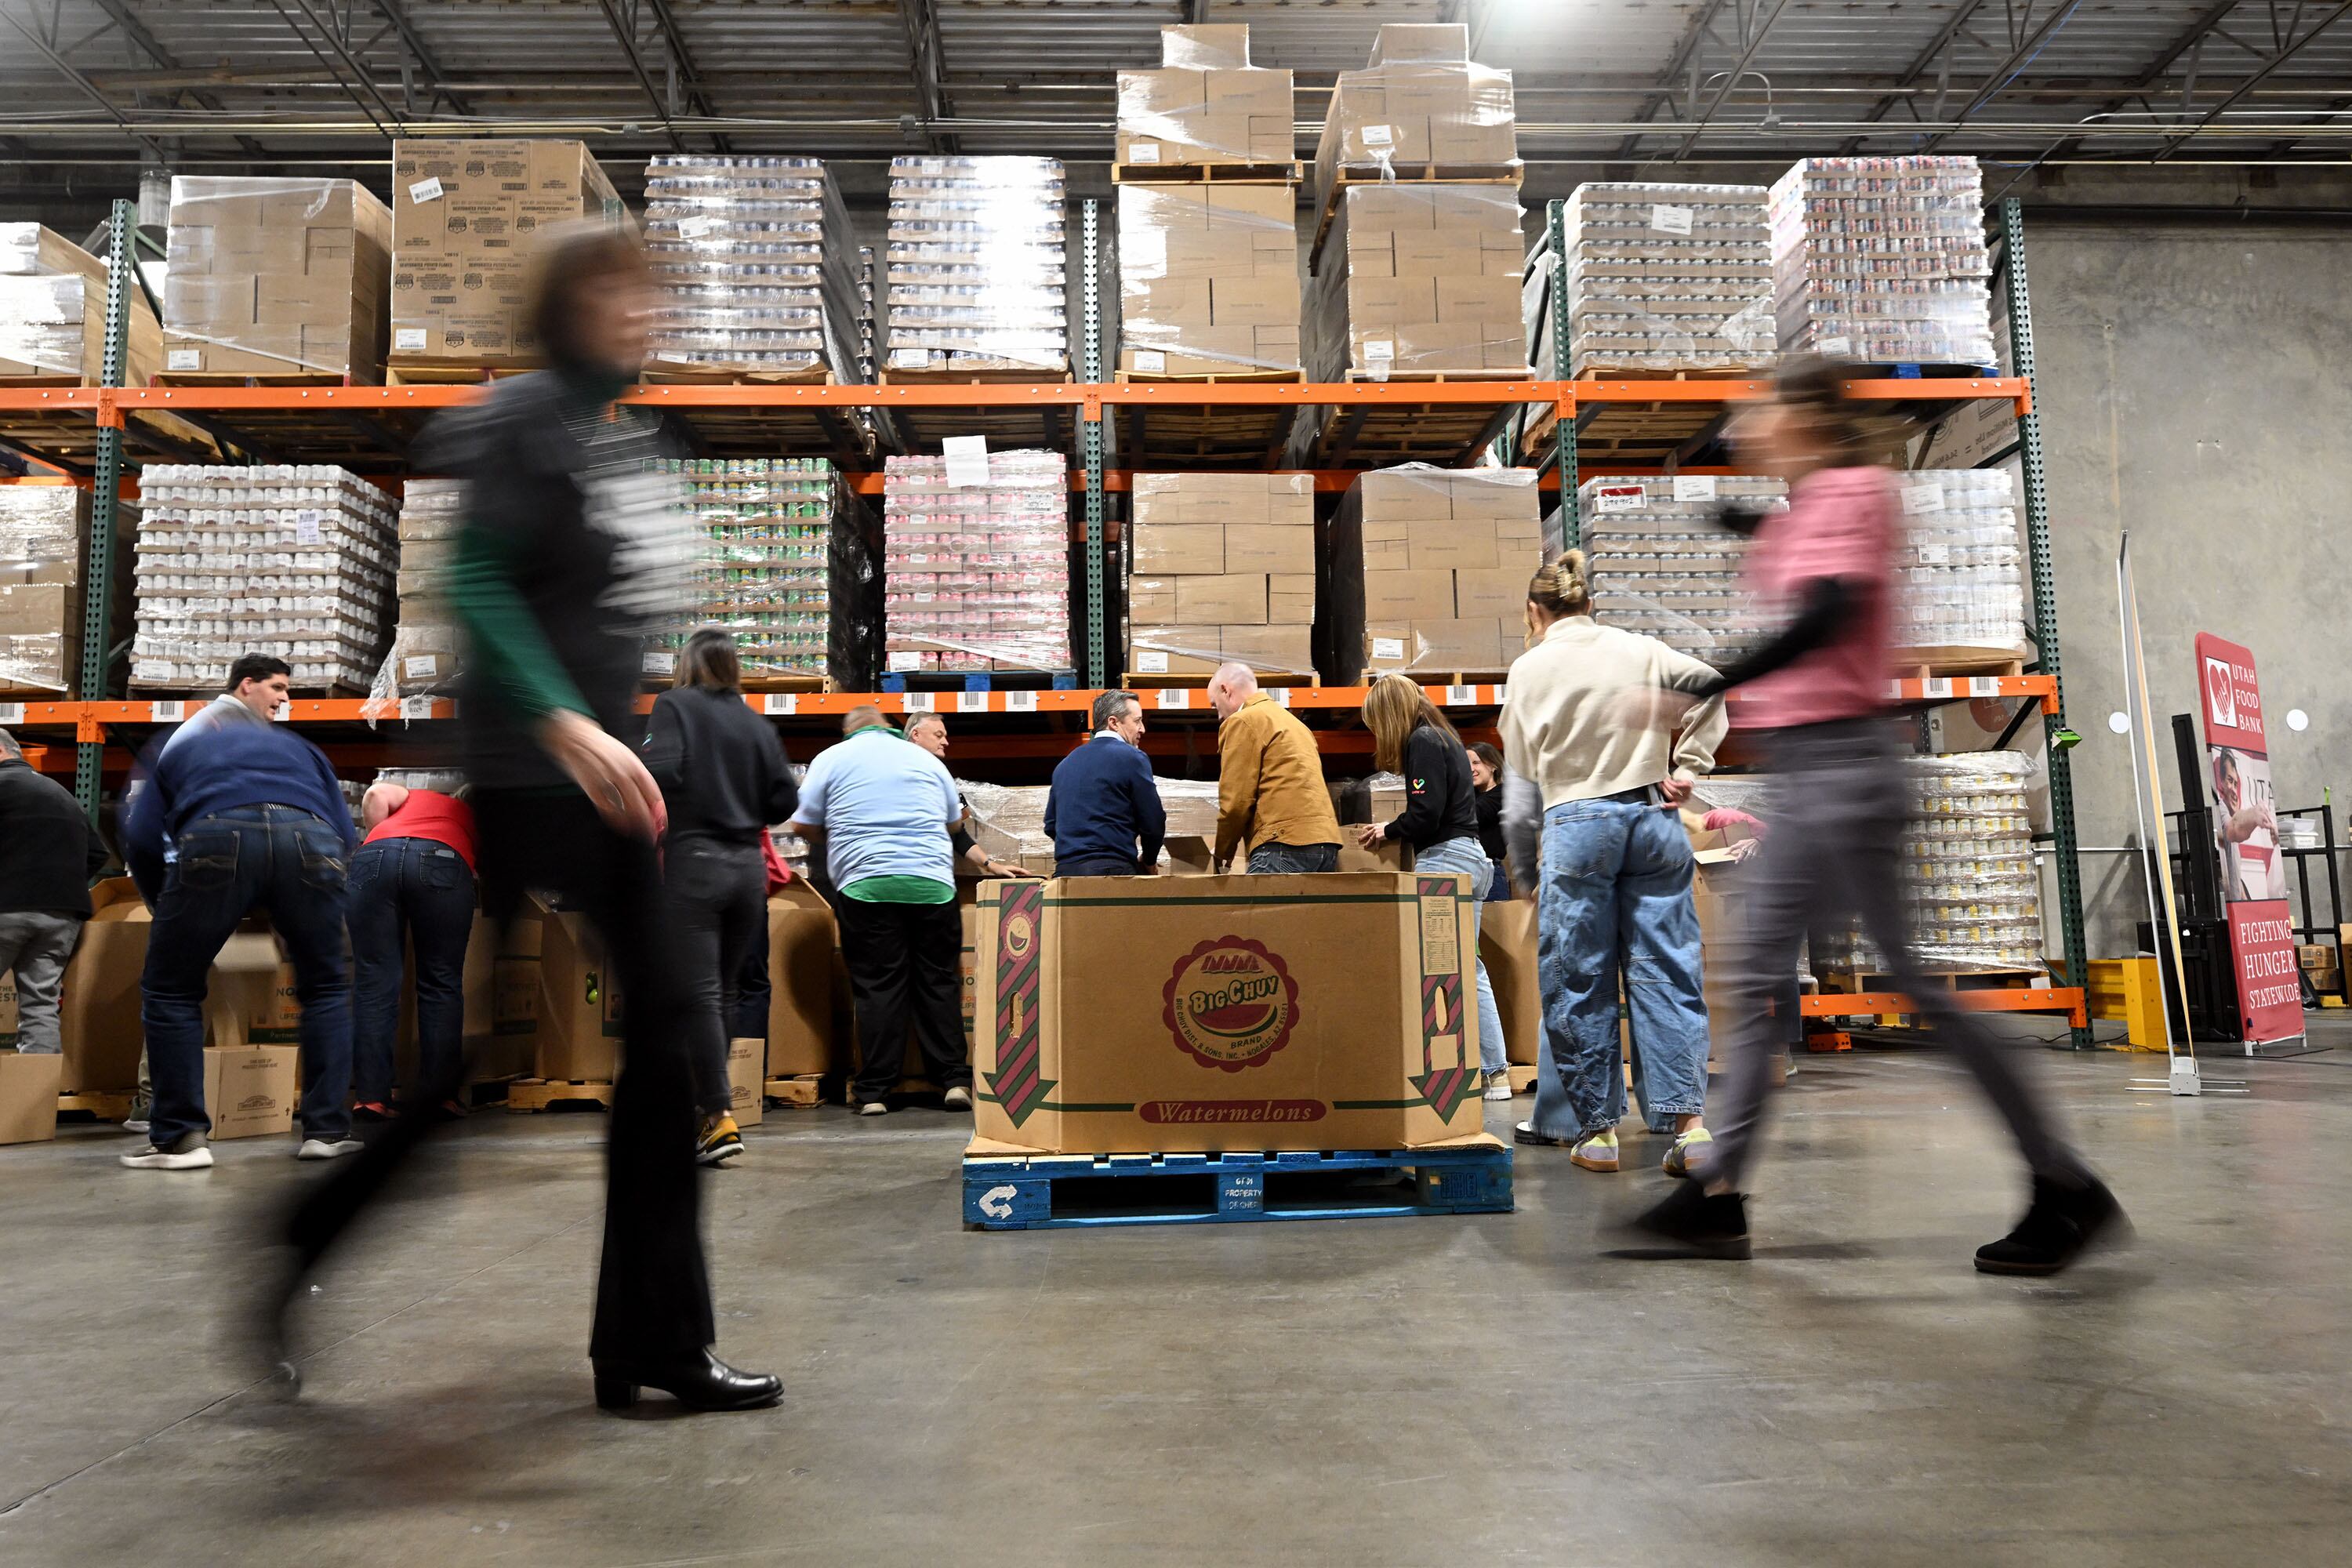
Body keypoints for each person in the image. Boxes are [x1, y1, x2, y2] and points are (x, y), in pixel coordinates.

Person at [266, 223, 781, 1414]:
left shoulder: (618, 440)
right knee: (649, 1050)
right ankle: (646, 1341)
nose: (643, 314)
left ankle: (639, 1339)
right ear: (564, 304)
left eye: (653, 296)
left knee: (582, 1061)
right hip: (534, 772)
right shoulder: (525, 421)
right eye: (617, 293)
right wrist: (565, 722)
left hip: (593, 781)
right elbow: (481, 581)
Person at [1621, 355, 2124, 1274]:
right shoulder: (1811, 504)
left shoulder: (1851, 492)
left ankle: (2067, 1186)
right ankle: (1719, 1190)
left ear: (1808, 420)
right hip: (1814, 767)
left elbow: (1828, 611)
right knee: (1755, 967)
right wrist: (1738, 519)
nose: (1747, 423)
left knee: (1906, 987)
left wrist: (1704, 682)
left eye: (1763, 408)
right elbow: (1798, 561)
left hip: (1841, 768)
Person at [1498, 550, 1727, 1178]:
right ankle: (1690, 1128)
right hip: (1654, 814)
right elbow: (1712, 686)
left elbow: (1521, 768)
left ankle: (1599, 1134)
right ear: (1589, 603)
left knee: (1580, 980)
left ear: (1535, 612)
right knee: (1668, 971)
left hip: (1578, 821)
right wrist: (1688, 768)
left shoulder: (1529, 668)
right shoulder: (1640, 650)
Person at [119, 717, 361, 1171]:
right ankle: (326, 1132)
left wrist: (166, 906)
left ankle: (181, 1139)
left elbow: (142, 835)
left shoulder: (179, 748)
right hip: (313, 840)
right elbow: (345, 834)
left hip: (214, 835)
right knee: (326, 987)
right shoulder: (301, 746)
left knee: (171, 990)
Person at [644, 628, 799, 1167]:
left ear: (687, 663)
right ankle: (705, 1115)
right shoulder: (755, 722)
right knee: (727, 994)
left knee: (702, 996)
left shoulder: (674, 705)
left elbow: (660, 770)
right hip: (747, 872)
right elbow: (784, 799)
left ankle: (717, 1115)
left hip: (696, 865)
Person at [122, 651, 293, 1134]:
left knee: (180, 990)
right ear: (246, 685)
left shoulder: (228, 728)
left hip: (200, 872)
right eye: (277, 688)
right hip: (193, 871)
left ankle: (163, 1105)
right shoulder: (225, 727)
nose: (284, 699)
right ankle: (156, 1106)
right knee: (174, 991)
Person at [786, 706, 973, 1117]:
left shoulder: (831, 758)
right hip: (931, 886)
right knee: (938, 984)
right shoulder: (924, 760)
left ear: (849, 730)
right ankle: (955, 1081)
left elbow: (801, 826)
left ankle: (874, 1091)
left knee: (879, 986)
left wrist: (838, 835)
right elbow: (953, 823)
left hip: (866, 884)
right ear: (889, 728)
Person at [1351, 677, 1509, 1102]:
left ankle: (1465, 1071)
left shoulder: (1421, 741)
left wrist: (1388, 829)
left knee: (1443, 967)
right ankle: (1493, 1072)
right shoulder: (1445, 736)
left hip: (1445, 861)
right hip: (1472, 859)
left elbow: (1425, 814)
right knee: (1466, 966)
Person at [347, 778, 477, 1123]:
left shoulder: (416, 795)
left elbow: (374, 793)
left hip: (372, 858)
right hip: (443, 860)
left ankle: (371, 1098)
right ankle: (438, 1098)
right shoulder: (477, 820)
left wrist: (384, 841)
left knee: (374, 983)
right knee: (440, 982)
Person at [0, 729, 107, 1055]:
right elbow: (97, 854)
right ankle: (36, 1103)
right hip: (62, 917)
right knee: (40, 1006)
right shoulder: (61, 795)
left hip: (7, 909)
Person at [1206, 662, 1342, 873]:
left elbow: (1236, 801)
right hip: (1326, 844)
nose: (1219, 716)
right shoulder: (1295, 724)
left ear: (1226, 690)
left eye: (1215, 705)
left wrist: (1223, 853)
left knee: (1261, 908)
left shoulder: (1243, 721)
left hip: (1282, 844)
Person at [1044, 689, 1166, 877]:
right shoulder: (1132, 758)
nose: (1142, 728)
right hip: (1111, 871)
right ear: (1114, 723)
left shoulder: (1064, 764)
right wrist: (1149, 861)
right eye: (1137, 721)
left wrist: (1078, 850)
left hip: (1065, 873)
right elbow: (1153, 820)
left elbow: (1051, 825)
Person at [905, 712, 1023, 878]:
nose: (945, 742)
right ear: (916, 734)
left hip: (930, 875)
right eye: (938, 736)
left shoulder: (941, 778)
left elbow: (957, 832)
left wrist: (991, 865)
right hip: (905, 873)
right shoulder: (895, 773)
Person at [1468, 742, 1512, 902]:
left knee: (1493, 925)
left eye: (1476, 763)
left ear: (1493, 765)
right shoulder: (1469, 797)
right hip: (1466, 872)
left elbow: (1474, 814)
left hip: (1490, 873)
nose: (1470, 769)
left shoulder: (1503, 793)